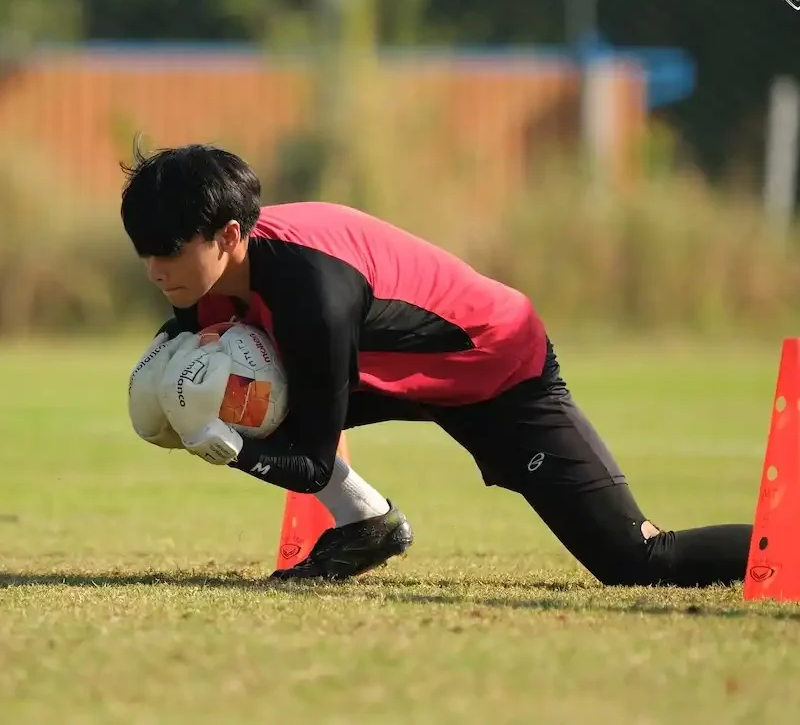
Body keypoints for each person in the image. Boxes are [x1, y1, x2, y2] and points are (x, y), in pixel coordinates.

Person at [120, 142, 753, 586]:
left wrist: (234, 448)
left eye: (169, 253)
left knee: (637, 563)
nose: (154, 272)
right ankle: (366, 525)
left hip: (498, 365)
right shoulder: (214, 277)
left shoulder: (313, 292)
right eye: (144, 254)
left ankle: (786, 545)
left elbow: (311, 461)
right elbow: (188, 341)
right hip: (392, 359)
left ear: (230, 235)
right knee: (234, 386)